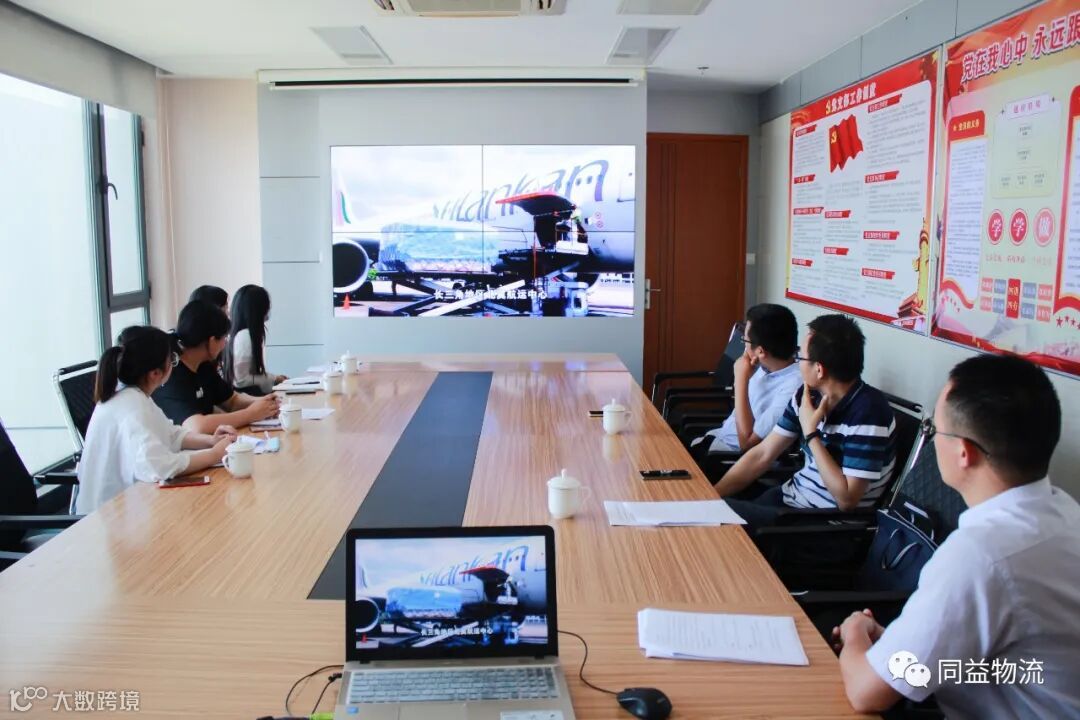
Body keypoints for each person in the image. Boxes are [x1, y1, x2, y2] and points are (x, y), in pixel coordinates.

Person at [834, 354, 1080, 718]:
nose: (932, 440)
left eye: (936, 430)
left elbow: (865, 692)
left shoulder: (980, 555)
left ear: (964, 452)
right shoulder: (1065, 512)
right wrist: (906, 647)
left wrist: (855, 632)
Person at [714, 314, 896, 528]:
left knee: (720, 520)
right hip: (790, 499)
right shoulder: (807, 395)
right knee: (715, 510)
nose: (797, 363)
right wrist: (711, 495)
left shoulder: (869, 413)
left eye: (801, 358)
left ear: (819, 369)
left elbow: (847, 501)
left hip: (821, 525)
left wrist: (811, 434)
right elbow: (763, 454)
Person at [75, 326, 235, 514]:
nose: (174, 364)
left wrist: (210, 441)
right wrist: (214, 454)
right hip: (108, 517)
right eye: (172, 359)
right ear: (155, 373)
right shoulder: (132, 407)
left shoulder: (132, 395)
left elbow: (170, 433)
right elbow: (159, 466)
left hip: (128, 505)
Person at [690, 304, 802, 454]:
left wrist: (740, 379)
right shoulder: (763, 364)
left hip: (728, 456)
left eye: (745, 341)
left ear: (761, 351)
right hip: (717, 437)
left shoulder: (793, 388)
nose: (744, 346)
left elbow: (747, 444)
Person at [153, 300, 280, 433]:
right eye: (224, 338)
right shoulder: (171, 371)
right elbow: (197, 426)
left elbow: (232, 401)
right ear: (212, 341)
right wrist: (251, 414)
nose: (225, 344)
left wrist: (265, 402)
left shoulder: (203, 364)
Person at [224, 284, 286, 396]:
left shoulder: (243, 334)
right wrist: (274, 378)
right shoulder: (245, 336)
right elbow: (241, 380)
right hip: (248, 397)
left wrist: (273, 378)